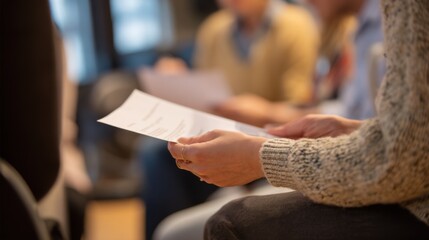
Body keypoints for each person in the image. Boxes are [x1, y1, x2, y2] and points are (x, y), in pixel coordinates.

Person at [167, 0, 429, 238]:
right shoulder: (215, 30)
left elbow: (403, 159)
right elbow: (412, 131)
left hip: (414, 202)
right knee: (159, 158)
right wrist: (353, 130)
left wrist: (261, 157)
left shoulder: (298, 25)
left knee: (225, 222)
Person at [139, 1, 319, 239]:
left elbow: (300, 108)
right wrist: (180, 80)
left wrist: (257, 111)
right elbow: (204, 90)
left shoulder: (296, 25)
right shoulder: (214, 29)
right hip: (219, 126)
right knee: (157, 152)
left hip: (268, 136)